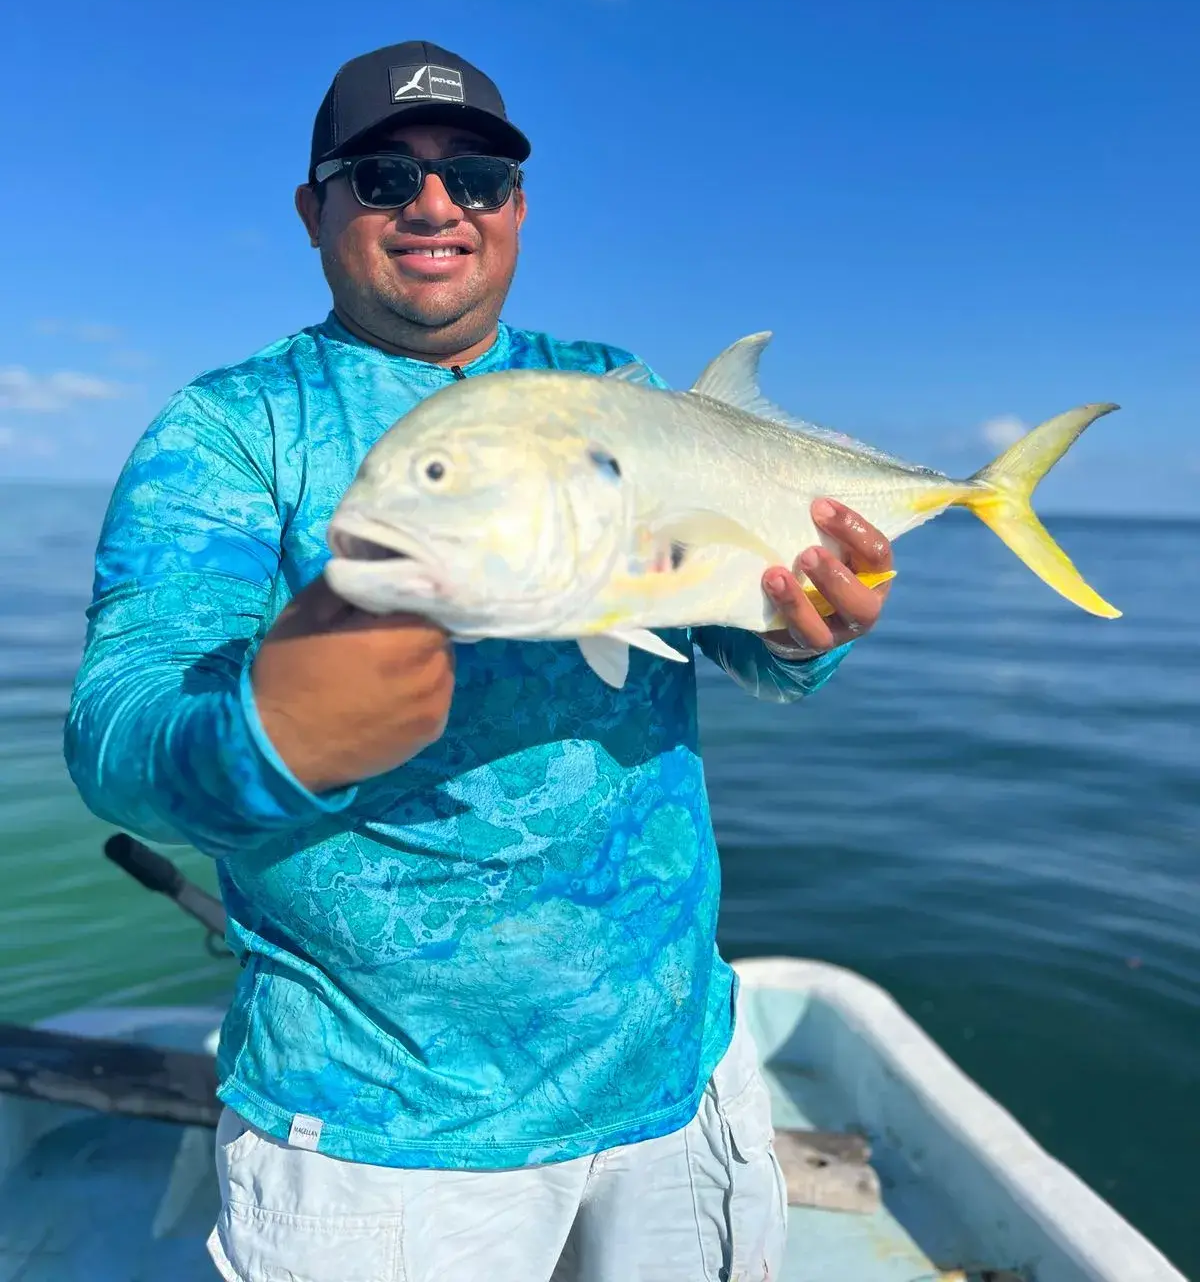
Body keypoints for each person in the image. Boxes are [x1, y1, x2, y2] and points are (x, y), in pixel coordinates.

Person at [65, 39, 894, 1282]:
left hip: (673, 1074)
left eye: (481, 177)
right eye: (383, 176)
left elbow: (736, 635)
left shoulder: (609, 386)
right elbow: (119, 725)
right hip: (380, 1122)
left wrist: (801, 632)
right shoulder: (234, 432)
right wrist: (263, 737)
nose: (437, 206)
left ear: (517, 206)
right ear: (315, 209)